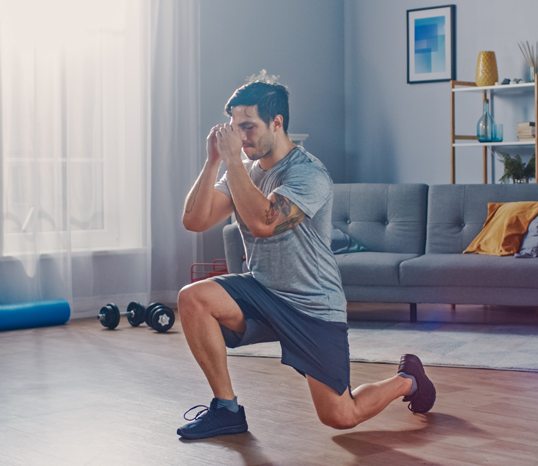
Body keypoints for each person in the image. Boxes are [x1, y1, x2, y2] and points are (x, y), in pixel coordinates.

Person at [177, 72, 435, 440]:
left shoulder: (308, 173)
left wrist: (234, 164)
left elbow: (265, 223)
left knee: (341, 416)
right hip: (262, 291)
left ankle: (408, 380)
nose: (240, 137)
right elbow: (194, 220)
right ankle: (226, 409)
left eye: (248, 127)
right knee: (193, 298)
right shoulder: (242, 170)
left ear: (276, 123)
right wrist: (214, 161)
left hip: (312, 307)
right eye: (235, 128)